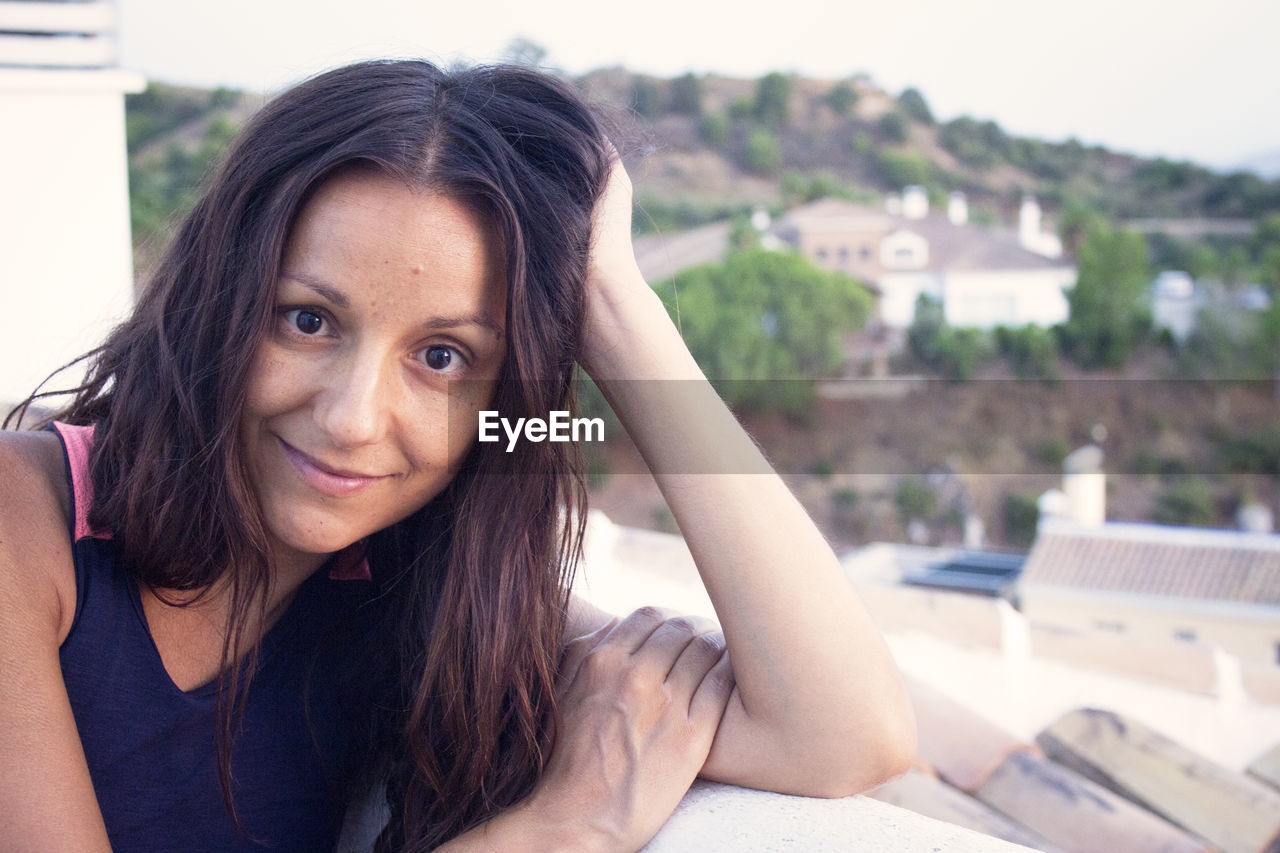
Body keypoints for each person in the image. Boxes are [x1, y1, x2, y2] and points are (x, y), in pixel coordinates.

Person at [0, 59, 914, 852]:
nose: (355, 418)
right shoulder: (22, 521)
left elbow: (840, 730)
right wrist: (563, 829)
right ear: (219, 301)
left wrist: (613, 300)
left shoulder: (404, 587)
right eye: (307, 319)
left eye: (443, 358)